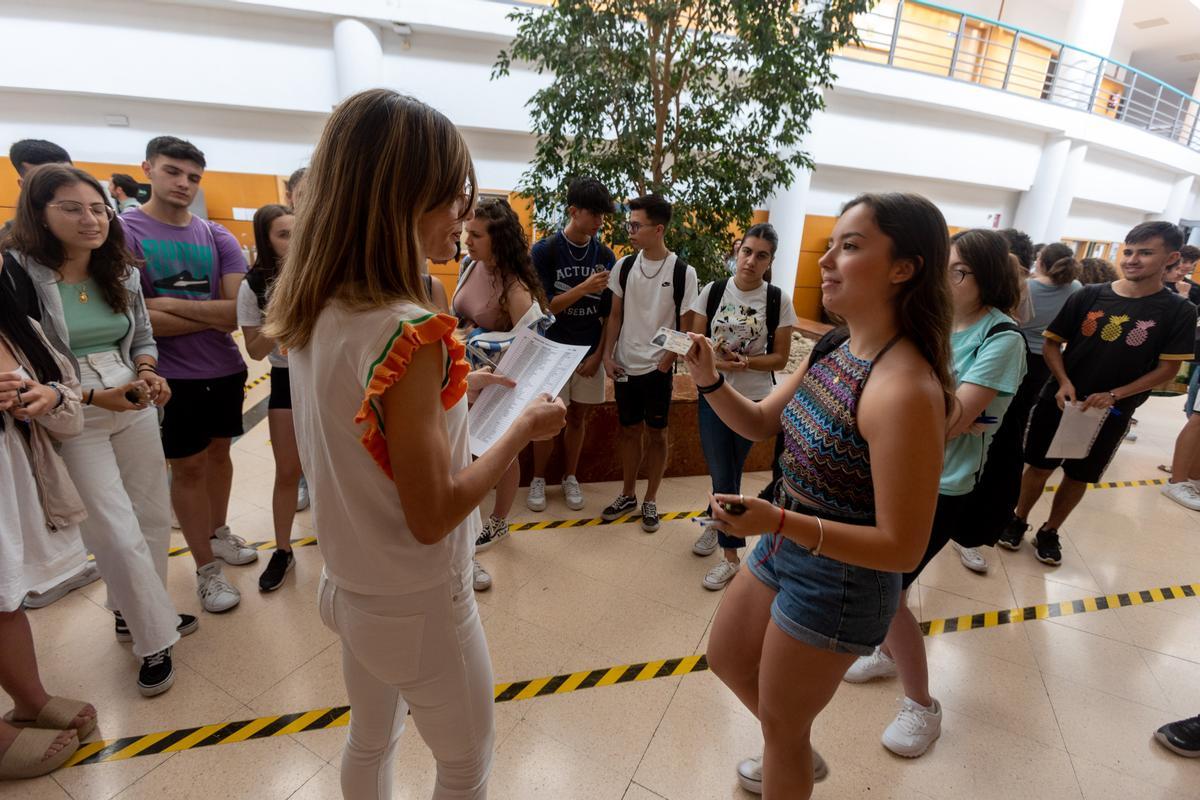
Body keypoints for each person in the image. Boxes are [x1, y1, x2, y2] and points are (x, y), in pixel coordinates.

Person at [267, 88, 565, 800]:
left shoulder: (317, 305)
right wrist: (522, 428)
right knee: (465, 766)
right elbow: (433, 514)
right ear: (403, 197)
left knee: (370, 739)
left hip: (348, 581)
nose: (463, 220)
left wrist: (462, 390)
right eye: (453, 199)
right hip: (419, 598)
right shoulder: (407, 327)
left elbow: (367, 424)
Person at [684, 192, 952, 798]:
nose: (826, 260)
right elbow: (758, 422)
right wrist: (707, 378)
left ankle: (789, 751)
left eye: (850, 247)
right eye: (830, 244)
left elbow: (901, 547)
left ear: (904, 268)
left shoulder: (904, 388)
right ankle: (794, 747)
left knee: (781, 726)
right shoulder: (837, 346)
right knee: (727, 660)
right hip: (788, 541)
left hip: (842, 578)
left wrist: (776, 520)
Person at [8, 164, 196, 696]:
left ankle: (136, 611)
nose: (89, 219)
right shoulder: (19, 273)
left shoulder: (120, 269)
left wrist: (147, 371)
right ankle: (153, 639)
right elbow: (25, 358)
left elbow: (139, 333)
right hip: (70, 405)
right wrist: (92, 395)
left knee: (152, 514)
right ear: (40, 214)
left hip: (129, 396)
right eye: (71, 208)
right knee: (112, 528)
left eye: (97, 208)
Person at [843, 229, 1026, 758]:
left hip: (942, 485)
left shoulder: (1001, 339)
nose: (944, 280)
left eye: (958, 271)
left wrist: (931, 411)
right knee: (886, 587)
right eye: (942, 267)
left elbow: (950, 421)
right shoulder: (932, 322)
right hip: (888, 470)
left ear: (984, 278)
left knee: (889, 589)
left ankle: (922, 705)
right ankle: (885, 649)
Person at [999, 222, 1196, 565]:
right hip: (1061, 400)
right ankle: (1017, 519)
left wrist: (1116, 394)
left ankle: (1050, 530)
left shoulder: (1178, 311)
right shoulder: (1089, 295)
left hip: (1111, 411)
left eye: (1145, 253)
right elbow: (1051, 343)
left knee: (1080, 475)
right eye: (1129, 251)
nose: (1133, 260)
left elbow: (1166, 370)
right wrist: (1062, 381)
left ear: (1172, 257)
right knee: (1039, 466)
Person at [120, 136, 256, 614]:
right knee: (189, 467)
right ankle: (205, 569)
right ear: (148, 170)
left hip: (223, 368)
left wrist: (167, 303)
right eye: (173, 172)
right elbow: (136, 319)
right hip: (167, 376)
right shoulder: (124, 232)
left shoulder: (215, 235)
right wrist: (202, 311)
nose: (183, 183)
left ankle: (218, 534)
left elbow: (235, 314)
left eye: (193, 177)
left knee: (220, 455)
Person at [0, 269, 98, 779]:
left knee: (6, 597)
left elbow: (70, 402)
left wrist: (50, 397)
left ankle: (30, 699)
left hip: (12, 472)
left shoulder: (17, 325)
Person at [689, 223, 796, 591]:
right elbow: (698, 343)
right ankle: (730, 553)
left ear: (770, 261)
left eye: (761, 255)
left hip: (754, 399)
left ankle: (718, 524)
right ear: (737, 250)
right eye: (747, 251)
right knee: (722, 467)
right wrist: (718, 362)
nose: (751, 261)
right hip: (714, 392)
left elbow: (781, 358)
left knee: (730, 468)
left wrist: (746, 363)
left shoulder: (777, 299)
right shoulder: (714, 290)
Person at [452, 197, 548, 571]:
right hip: (464, 378)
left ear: (499, 239)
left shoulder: (515, 285)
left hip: (496, 381)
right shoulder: (467, 266)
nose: (467, 240)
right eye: (466, 233)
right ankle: (465, 522)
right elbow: (459, 313)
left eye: (476, 235)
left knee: (500, 454)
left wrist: (484, 340)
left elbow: (534, 341)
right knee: (467, 454)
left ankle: (498, 521)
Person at [601, 194, 699, 531]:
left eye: (636, 225)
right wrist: (606, 356)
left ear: (658, 229)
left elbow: (687, 328)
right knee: (629, 431)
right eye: (630, 224)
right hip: (625, 364)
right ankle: (627, 494)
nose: (630, 230)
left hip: (658, 368)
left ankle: (651, 499)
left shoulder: (684, 272)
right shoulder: (624, 266)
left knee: (657, 434)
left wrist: (665, 362)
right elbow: (614, 316)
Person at [979, 244, 1081, 561]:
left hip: (1022, 349)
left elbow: (1020, 320)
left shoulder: (1029, 287)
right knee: (1018, 416)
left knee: (997, 412)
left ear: (1041, 261)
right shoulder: (1076, 288)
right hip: (1048, 361)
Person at [527, 177, 616, 513]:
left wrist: (598, 354)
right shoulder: (545, 251)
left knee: (579, 418)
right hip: (552, 350)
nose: (599, 221)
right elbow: (544, 306)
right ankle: (537, 478)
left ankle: (570, 476)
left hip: (587, 353)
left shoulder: (605, 255)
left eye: (602, 216)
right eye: (594, 214)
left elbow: (609, 314)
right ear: (573, 211)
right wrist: (584, 286)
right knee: (547, 417)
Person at [237, 204, 303, 591]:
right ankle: (282, 549)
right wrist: (280, 313)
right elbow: (257, 351)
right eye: (283, 235)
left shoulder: (321, 274)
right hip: (286, 379)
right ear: (267, 239)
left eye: (297, 233)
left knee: (335, 467)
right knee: (288, 470)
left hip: (324, 379)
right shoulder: (253, 285)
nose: (293, 243)